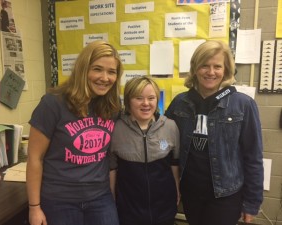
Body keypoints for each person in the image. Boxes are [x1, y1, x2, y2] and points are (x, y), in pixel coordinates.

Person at [165, 40, 264, 225]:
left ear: (226, 70)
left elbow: (253, 157)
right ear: (195, 68)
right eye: (204, 66)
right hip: (191, 192)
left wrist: (252, 202)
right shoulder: (180, 103)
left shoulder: (243, 105)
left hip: (225, 195)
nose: (211, 72)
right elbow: (165, 143)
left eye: (217, 66)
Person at [26, 40, 123, 225]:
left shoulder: (112, 106)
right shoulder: (53, 103)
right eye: (97, 69)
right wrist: (34, 207)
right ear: (83, 69)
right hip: (59, 200)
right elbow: (34, 158)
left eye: (112, 72)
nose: (105, 77)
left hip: (100, 196)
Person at [109, 76, 180, 225]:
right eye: (138, 98)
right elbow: (112, 168)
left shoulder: (170, 126)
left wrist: (177, 190)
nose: (146, 103)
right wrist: (111, 198)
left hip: (164, 209)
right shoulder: (116, 129)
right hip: (129, 211)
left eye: (151, 98)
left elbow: (174, 163)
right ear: (128, 101)